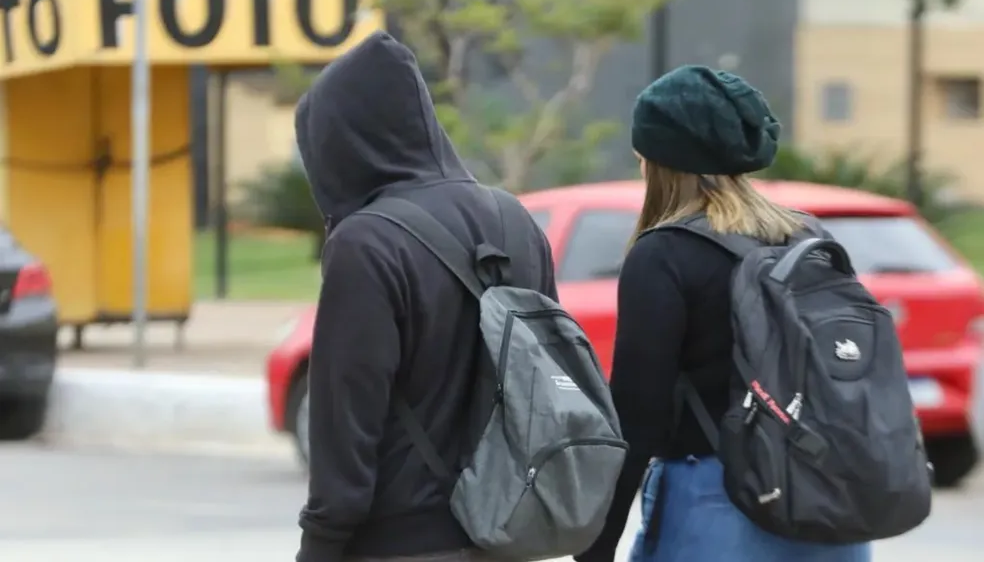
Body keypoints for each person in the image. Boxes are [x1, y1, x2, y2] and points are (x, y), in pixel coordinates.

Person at [575, 66, 872, 562]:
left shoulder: (664, 253)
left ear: (658, 159)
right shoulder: (807, 236)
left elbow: (636, 415)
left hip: (719, 506)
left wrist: (595, 547)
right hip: (830, 503)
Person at [292, 31, 557, 562]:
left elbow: (345, 426)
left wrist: (318, 547)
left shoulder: (365, 243)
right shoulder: (516, 219)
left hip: (402, 542)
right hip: (511, 534)